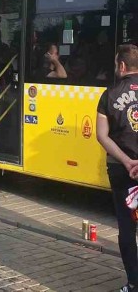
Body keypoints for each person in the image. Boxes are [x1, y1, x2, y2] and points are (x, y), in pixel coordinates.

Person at [96, 44, 138, 292]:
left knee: (127, 227)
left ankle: (133, 283)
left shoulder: (109, 95)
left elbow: (102, 136)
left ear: (121, 66)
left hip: (122, 170)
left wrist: (127, 161)